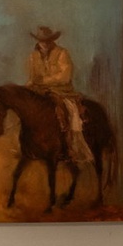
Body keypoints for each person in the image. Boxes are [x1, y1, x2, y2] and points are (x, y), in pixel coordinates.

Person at [26, 26, 93, 166]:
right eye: (41, 40)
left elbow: (65, 76)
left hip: (62, 91)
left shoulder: (62, 53)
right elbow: (32, 77)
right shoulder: (33, 56)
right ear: (37, 41)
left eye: (46, 40)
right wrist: (28, 86)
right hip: (41, 91)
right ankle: (28, 146)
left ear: (51, 40)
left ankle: (72, 147)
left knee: (70, 112)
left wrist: (43, 81)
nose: (43, 43)